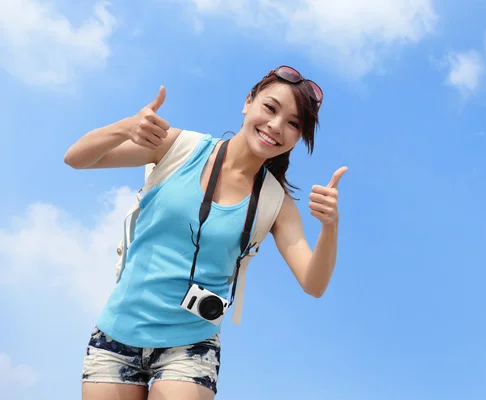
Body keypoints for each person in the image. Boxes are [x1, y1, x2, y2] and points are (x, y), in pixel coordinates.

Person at [64, 66, 347, 400]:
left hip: (190, 345)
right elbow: (77, 158)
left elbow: (313, 284)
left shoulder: (276, 204)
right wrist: (125, 127)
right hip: (118, 332)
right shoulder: (178, 147)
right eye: (270, 109)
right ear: (248, 102)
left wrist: (330, 226)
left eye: (293, 123)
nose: (276, 126)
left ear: (298, 138)